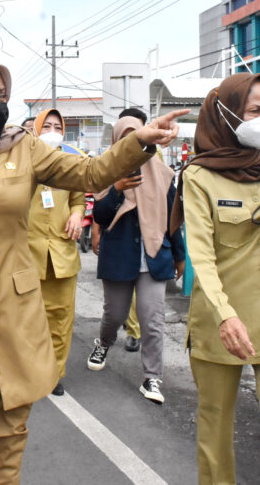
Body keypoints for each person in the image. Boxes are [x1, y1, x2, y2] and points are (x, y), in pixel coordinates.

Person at [0, 54, 187, 484]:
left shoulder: (23, 146)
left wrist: (139, 141)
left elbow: (89, 172)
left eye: (2, 96)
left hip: (16, 321)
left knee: (6, 450)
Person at [180, 72, 260, 484]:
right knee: (215, 431)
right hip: (222, 322)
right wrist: (224, 315)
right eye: (255, 111)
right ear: (229, 114)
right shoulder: (198, 177)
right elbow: (201, 255)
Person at [87, 116, 185, 405]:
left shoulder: (163, 173)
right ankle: (104, 342)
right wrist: (117, 189)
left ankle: (152, 376)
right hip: (119, 256)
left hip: (155, 255)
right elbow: (102, 217)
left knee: (152, 320)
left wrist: (180, 255)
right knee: (114, 315)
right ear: (118, 143)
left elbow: (173, 218)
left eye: (139, 137)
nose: (135, 143)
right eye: (127, 139)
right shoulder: (105, 172)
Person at [26, 109, 85, 397]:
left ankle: (54, 374)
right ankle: (28, 372)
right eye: (46, 126)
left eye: (57, 126)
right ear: (36, 130)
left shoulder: (72, 163)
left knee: (61, 320)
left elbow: (79, 199)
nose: (52, 131)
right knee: (28, 321)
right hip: (26, 254)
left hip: (62, 253)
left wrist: (76, 215)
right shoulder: (23, 161)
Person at [118, 107, 151, 352]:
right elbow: (100, 204)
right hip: (121, 237)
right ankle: (121, 327)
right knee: (122, 293)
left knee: (142, 291)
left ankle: (134, 331)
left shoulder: (155, 162)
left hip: (150, 237)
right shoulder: (108, 164)